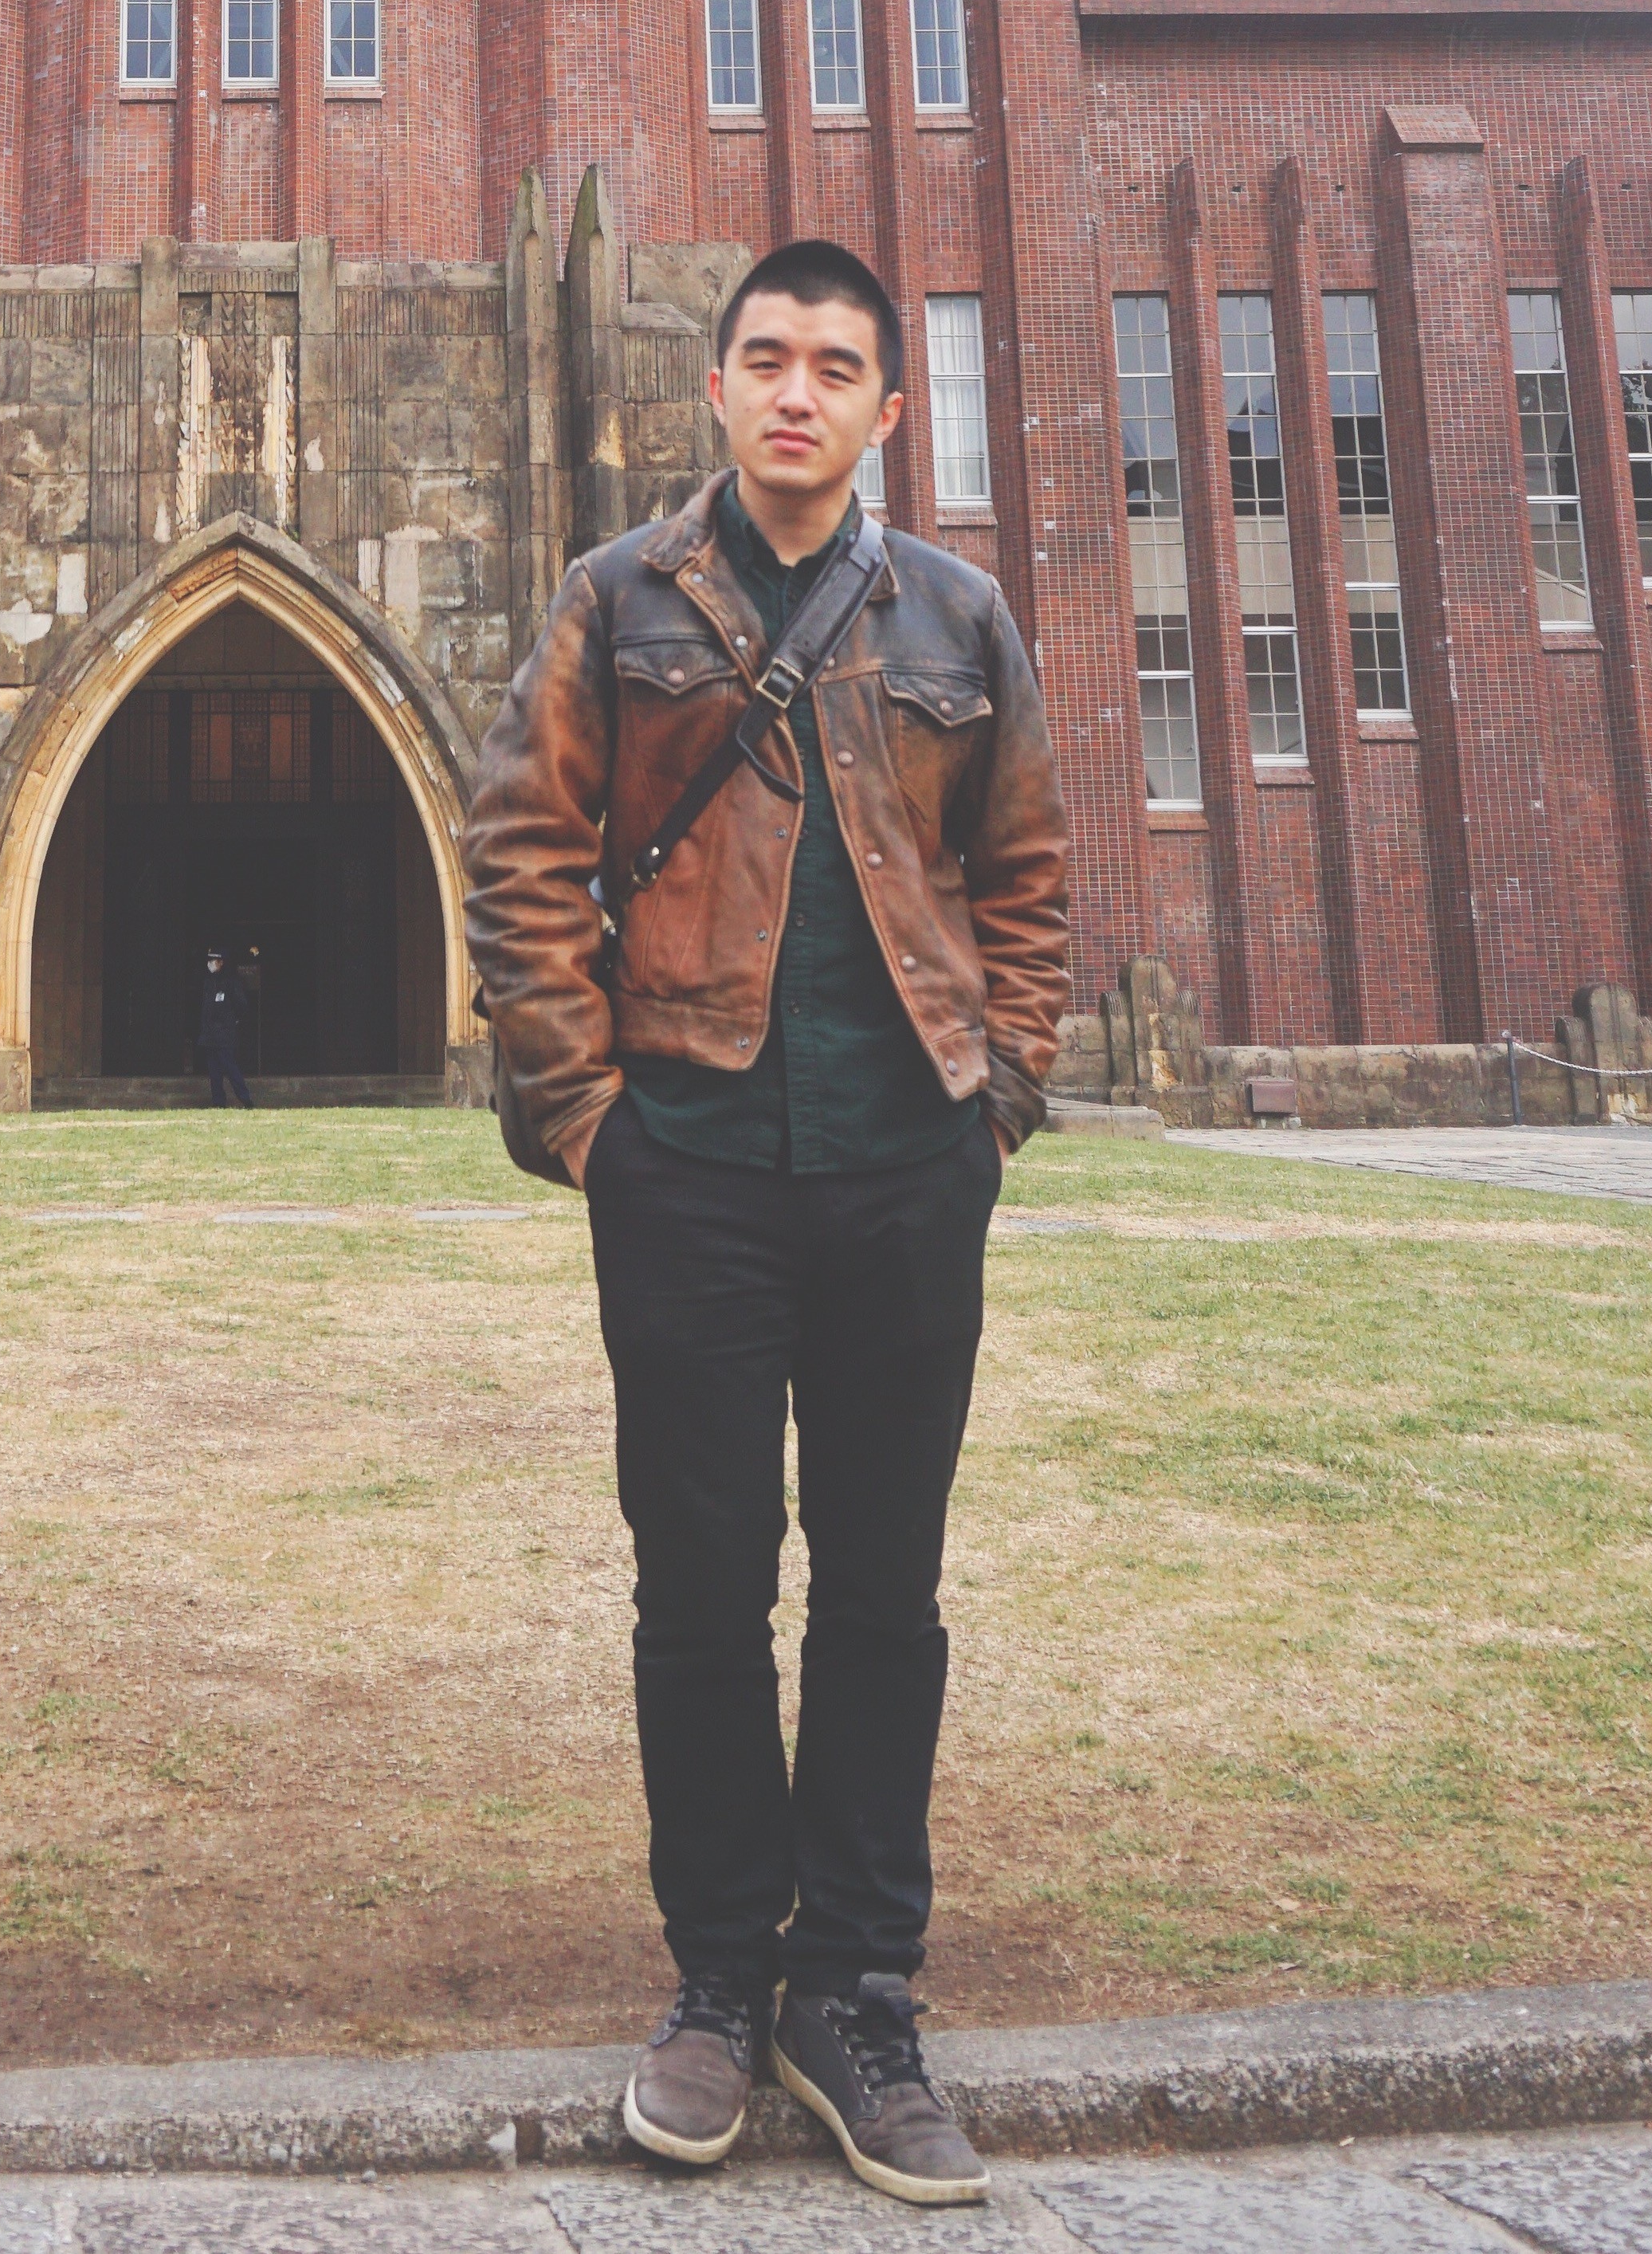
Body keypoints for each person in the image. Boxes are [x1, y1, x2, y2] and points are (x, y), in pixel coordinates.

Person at [464, 238, 1069, 2201]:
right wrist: (588, 1121)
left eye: (832, 365)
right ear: (715, 387)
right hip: (690, 1168)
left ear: (885, 407)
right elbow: (519, 848)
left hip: (906, 1166)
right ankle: (721, 1979)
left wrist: (996, 1098)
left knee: (884, 1589)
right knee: (702, 1590)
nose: (794, 391)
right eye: (764, 358)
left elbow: (1023, 870)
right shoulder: (616, 599)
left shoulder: (956, 614)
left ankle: (856, 1992)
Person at [196, 943, 253, 1108]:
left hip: (225, 1033)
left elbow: (241, 1005)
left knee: (230, 1066)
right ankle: (218, 1102)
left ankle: (245, 1099)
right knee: (214, 1071)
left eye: (214, 961)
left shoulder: (231, 982)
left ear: (222, 962)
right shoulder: (209, 982)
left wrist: (232, 1021)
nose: (210, 964)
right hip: (210, 1034)